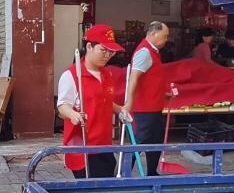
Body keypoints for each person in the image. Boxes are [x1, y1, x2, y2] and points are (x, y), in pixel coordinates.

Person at [57, 24, 127, 179]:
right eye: (103, 50)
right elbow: (62, 106)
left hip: (105, 144)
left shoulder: (107, 74)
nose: (107, 55)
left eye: (111, 51)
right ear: (89, 46)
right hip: (83, 145)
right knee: (92, 189)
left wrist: (120, 110)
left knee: (106, 184)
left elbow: (106, 101)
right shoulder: (72, 75)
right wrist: (73, 114)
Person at [122, 21, 171, 176]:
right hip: (144, 109)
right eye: (164, 36)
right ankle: (124, 174)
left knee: (155, 141)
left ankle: (151, 172)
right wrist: (129, 103)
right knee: (138, 141)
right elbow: (134, 78)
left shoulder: (154, 51)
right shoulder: (144, 52)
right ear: (153, 33)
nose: (166, 39)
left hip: (155, 106)